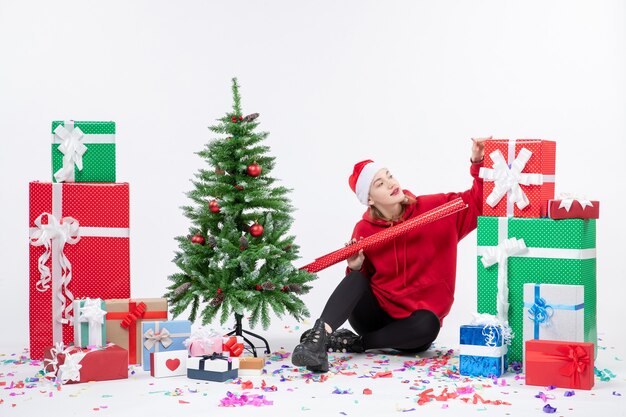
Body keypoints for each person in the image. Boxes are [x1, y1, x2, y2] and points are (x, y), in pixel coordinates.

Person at [291, 137, 489, 372]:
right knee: (356, 278)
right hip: (373, 317)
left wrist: (478, 161)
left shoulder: (436, 209)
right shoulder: (364, 230)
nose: (391, 183)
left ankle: (358, 344)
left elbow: (478, 203)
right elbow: (358, 286)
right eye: (379, 183)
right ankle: (318, 340)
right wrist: (355, 268)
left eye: (389, 176)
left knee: (428, 325)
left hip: (411, 328)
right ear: (370, 199)